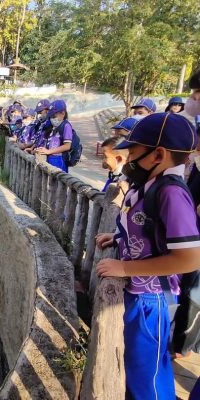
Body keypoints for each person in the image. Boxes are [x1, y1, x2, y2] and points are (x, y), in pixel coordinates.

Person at [95, 112, 200, 400]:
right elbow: (148, 230)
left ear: (159, 155)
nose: (128, 159)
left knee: (148, 377)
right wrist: (118, 237)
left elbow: (190, 259)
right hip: (139, 294)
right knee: (136, 367)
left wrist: (124, 268)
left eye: (133, 153)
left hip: (151, 299)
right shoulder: (150, 184)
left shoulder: (171, 193)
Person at [35, 99, 73, 172]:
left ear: (63, 113)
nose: (52, 119)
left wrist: (49, 151)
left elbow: (67, 146)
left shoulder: (66, 126)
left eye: (54, 116)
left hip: (59, 161)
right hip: (50, 159)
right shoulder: (53, 127)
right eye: (51, 117)